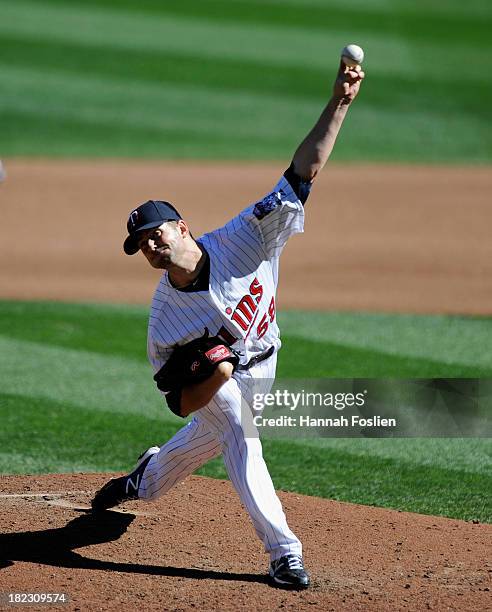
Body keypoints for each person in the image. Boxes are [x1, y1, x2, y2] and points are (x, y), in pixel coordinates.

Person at [91, 59, 364, 589]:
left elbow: (302, 173)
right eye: (140, 243)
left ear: (181, 226)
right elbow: (179, 400)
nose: (150, 245)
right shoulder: (165, 319)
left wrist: (340, 104)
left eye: (155, 232)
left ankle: (142, 478)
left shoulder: (246, 236)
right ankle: (284, 554)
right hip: (228, 383)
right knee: (240, 435)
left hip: (268, 359)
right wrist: (215, 375)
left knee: (201, 447)